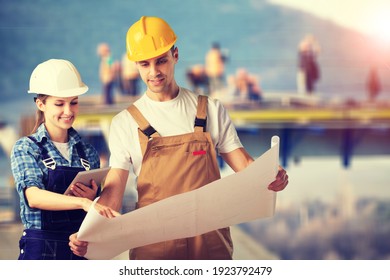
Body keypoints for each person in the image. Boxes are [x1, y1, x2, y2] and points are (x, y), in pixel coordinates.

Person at [69, 16, 288, 260]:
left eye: (161, 60)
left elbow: (245, 166)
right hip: (152, 245)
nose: (154, 72)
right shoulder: (125, 122)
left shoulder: (210, 110)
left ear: (175, 54)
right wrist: (89, 233)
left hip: (210, 242)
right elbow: (113, 191)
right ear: (136, 66)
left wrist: (269, 175)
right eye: (144, 64)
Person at [10, 59, 117, 260]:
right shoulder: (26, 147)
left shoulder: (89, 153)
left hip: (79, 249)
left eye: (74, 102)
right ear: (41, 104)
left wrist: (94, 197)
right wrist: (83, 202)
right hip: (40, 251)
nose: (68, 111)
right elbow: (33, 197)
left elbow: (96, 212)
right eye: (59, 104)